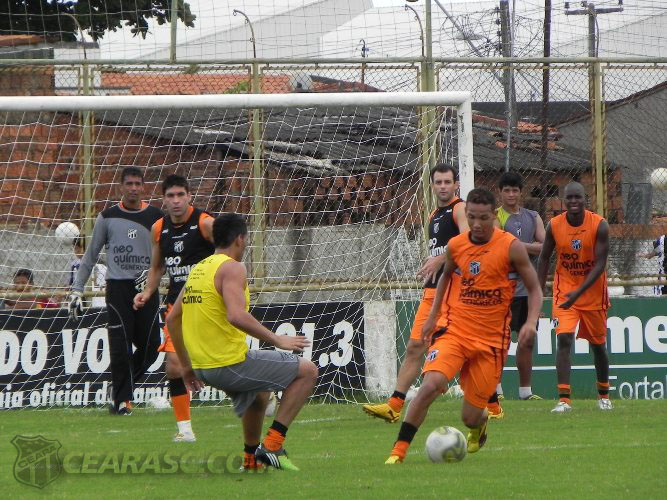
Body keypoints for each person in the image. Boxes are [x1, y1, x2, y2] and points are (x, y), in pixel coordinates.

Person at [384, 188, 542, 464]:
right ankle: (398, 452)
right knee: (430, 385)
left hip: (491, 342)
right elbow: (446, 275)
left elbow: (535, 289)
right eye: (472, 218)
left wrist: (530, 322)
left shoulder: (511, 246)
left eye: (483, 218)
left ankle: (479, 424)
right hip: (455, 331)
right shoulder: (457, 245)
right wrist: (434, 315)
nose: (478, 224)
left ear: (494, 216)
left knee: (470, 415)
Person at [167, 213, 318, 471]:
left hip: (203, 368)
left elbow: (171, 319)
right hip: (228, 363)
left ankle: (251, 461)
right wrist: (276, 339)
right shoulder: (232, 267)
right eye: (246, 239)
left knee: (258, 396)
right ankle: (272, 445)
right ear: (240, 239)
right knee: (308, 372)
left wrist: (187, 367)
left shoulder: (199, 269)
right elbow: (236, 315)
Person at [362, 163, 468, 423]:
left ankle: (489, 401)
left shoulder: (459, 209)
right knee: (414, 347)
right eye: (438, 182)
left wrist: (441, 259)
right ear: (432, 185)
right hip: (432, 291)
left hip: (453, 294)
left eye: (447, 182)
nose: (442, 186)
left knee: (463, 349)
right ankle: (394, 406)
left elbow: (467, 243)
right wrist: (433, 262)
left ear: (456, 185)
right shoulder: (434, 214)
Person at [68, 166, 163, 415]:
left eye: (137, 184)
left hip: (147, 288)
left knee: (153, 347)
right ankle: (122, 400)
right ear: (121, 187)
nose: (133, 188)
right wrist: (77, 290)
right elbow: (90, 256)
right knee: (120, 347)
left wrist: (158, 277)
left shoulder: (156, 216)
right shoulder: (107, 216)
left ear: (143, 187)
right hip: (118, 289)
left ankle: (120, 389)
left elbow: (166, 254)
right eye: (129, 183)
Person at [133, 174, 215, 442]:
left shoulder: (204, 223)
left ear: (190, 196)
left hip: (208, 304)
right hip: (176, 307)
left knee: (225, 362)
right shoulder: (159, 228)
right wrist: (147, 292)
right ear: (164, 199)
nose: (176, 201)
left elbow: (229, 252)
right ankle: (185, 430)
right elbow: (157, 267)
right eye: (170, 196)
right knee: (173, 366)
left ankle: (262, 393)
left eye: (181, 195)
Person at [537, 182, 612, 413]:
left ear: (585, 199)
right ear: (563, 200)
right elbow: (543, 259)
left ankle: (604, 395)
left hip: (593, 294)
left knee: (598, 346)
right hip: (564, 291)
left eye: (577, 197)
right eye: (568, 198)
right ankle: (564, 400)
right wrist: (538, 295)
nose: (573, 202)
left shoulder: (599, 225)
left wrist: (578, 294)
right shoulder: (555, 225)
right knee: (564, 340)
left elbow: (600, 265)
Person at [488, 171, 546, 418]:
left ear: (521, 193)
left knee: (526, 340)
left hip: (528, 290)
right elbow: (498, 248)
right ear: (499, 193)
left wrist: (517, 246)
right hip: (505, 289)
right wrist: (527, 248)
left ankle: (525, 391)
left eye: (515, 190)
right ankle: (497, 389)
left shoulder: (534, 216)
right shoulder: (496, 217)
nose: (511, 195)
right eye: (506, 190)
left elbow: (545, 247)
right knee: (499, 342)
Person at [66, 237, 107, 308]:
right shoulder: (75, 265)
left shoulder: (101, 264)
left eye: (77, 249)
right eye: (75, 249)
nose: (76, 251)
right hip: (82, 295)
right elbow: (71, 283)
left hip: (97, 297)